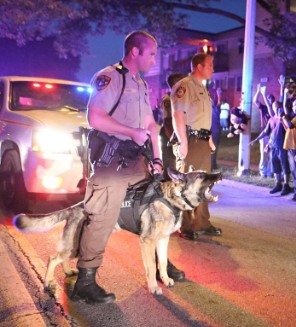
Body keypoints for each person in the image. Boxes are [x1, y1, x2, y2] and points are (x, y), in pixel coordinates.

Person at [71, 31, 164, 304]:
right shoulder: (111, 77)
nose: (154, 60)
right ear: (135, 52)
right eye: (151, 54)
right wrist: (130, 132)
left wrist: (157, 158)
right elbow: (95, 117)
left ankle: (162, 264)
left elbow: (150, 125)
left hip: (137, 160)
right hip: (112, 161)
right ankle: (85, 282)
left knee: (159, 204)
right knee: (102, 217)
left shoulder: (141, 84)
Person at [171, 52, 220, 240]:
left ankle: (202, 222)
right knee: (187, 184)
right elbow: (178, 115)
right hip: (189, 141)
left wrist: (208, 140)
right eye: (209, 65)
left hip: (202, 141)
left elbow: (202, 119)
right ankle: (185, 226)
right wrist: (183, 141)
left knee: (204, 184)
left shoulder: (202, 88)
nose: (212, 69)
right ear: (199, 66)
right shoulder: (184, 86)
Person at [159, 73, 185, 172]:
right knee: (171, 165)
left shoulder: (178, 98)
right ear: (176, 84)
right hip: (169, 134)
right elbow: (169, 122)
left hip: (175, 135)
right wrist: (176, 141)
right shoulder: (168, 99)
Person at [253, 83, 274, 178]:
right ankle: (263, 172)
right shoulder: (263, 108)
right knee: (263, 153)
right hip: (264, 133)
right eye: (268, 99)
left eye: (271, 99)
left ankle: (270, 171)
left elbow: (272, 112)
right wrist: (258, 91)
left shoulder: (274, 110)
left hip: (272, 134)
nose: (269, 101)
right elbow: (255, 101)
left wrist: (264, 94)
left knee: (271, 153)